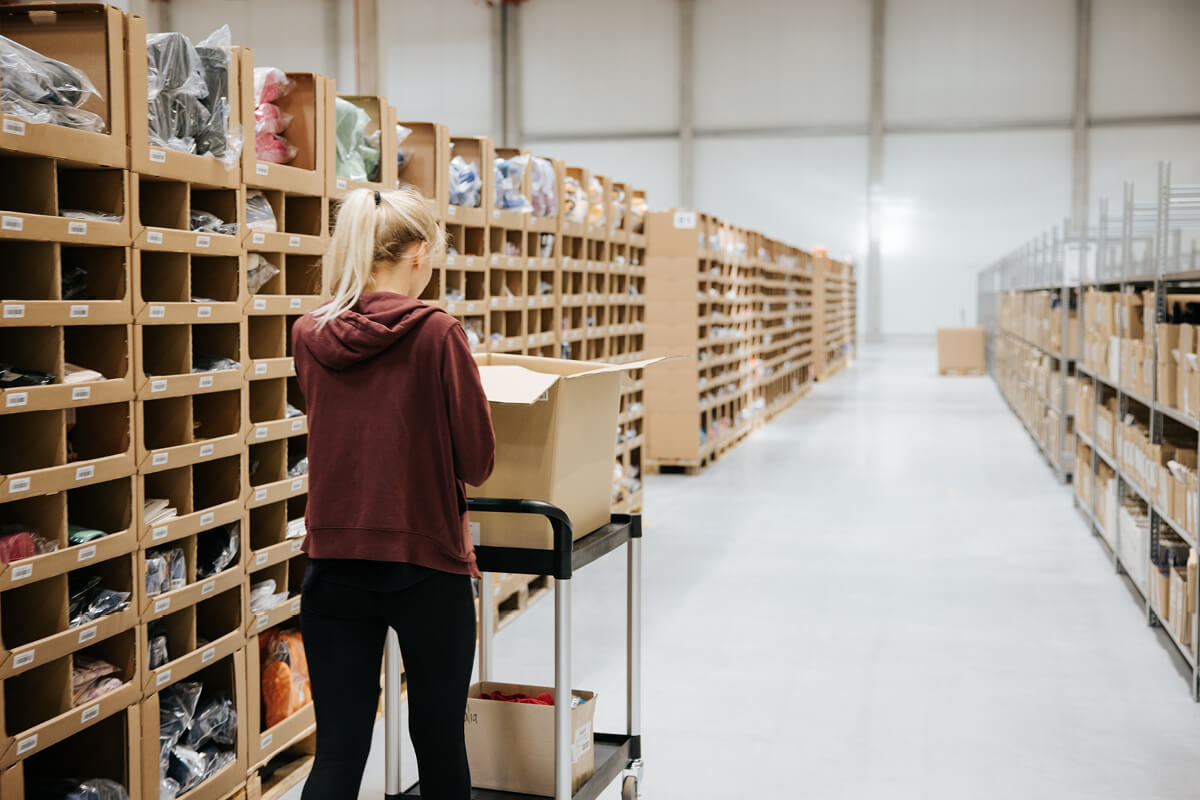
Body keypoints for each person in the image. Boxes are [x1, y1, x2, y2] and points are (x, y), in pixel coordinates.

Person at [292, 187, 495, 799]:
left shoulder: (308, 333)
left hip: (333, 564)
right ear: (419, 253)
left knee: (338, 753)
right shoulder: (437, 333)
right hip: (425, 563)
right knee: (438, 744)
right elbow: (478, 461)